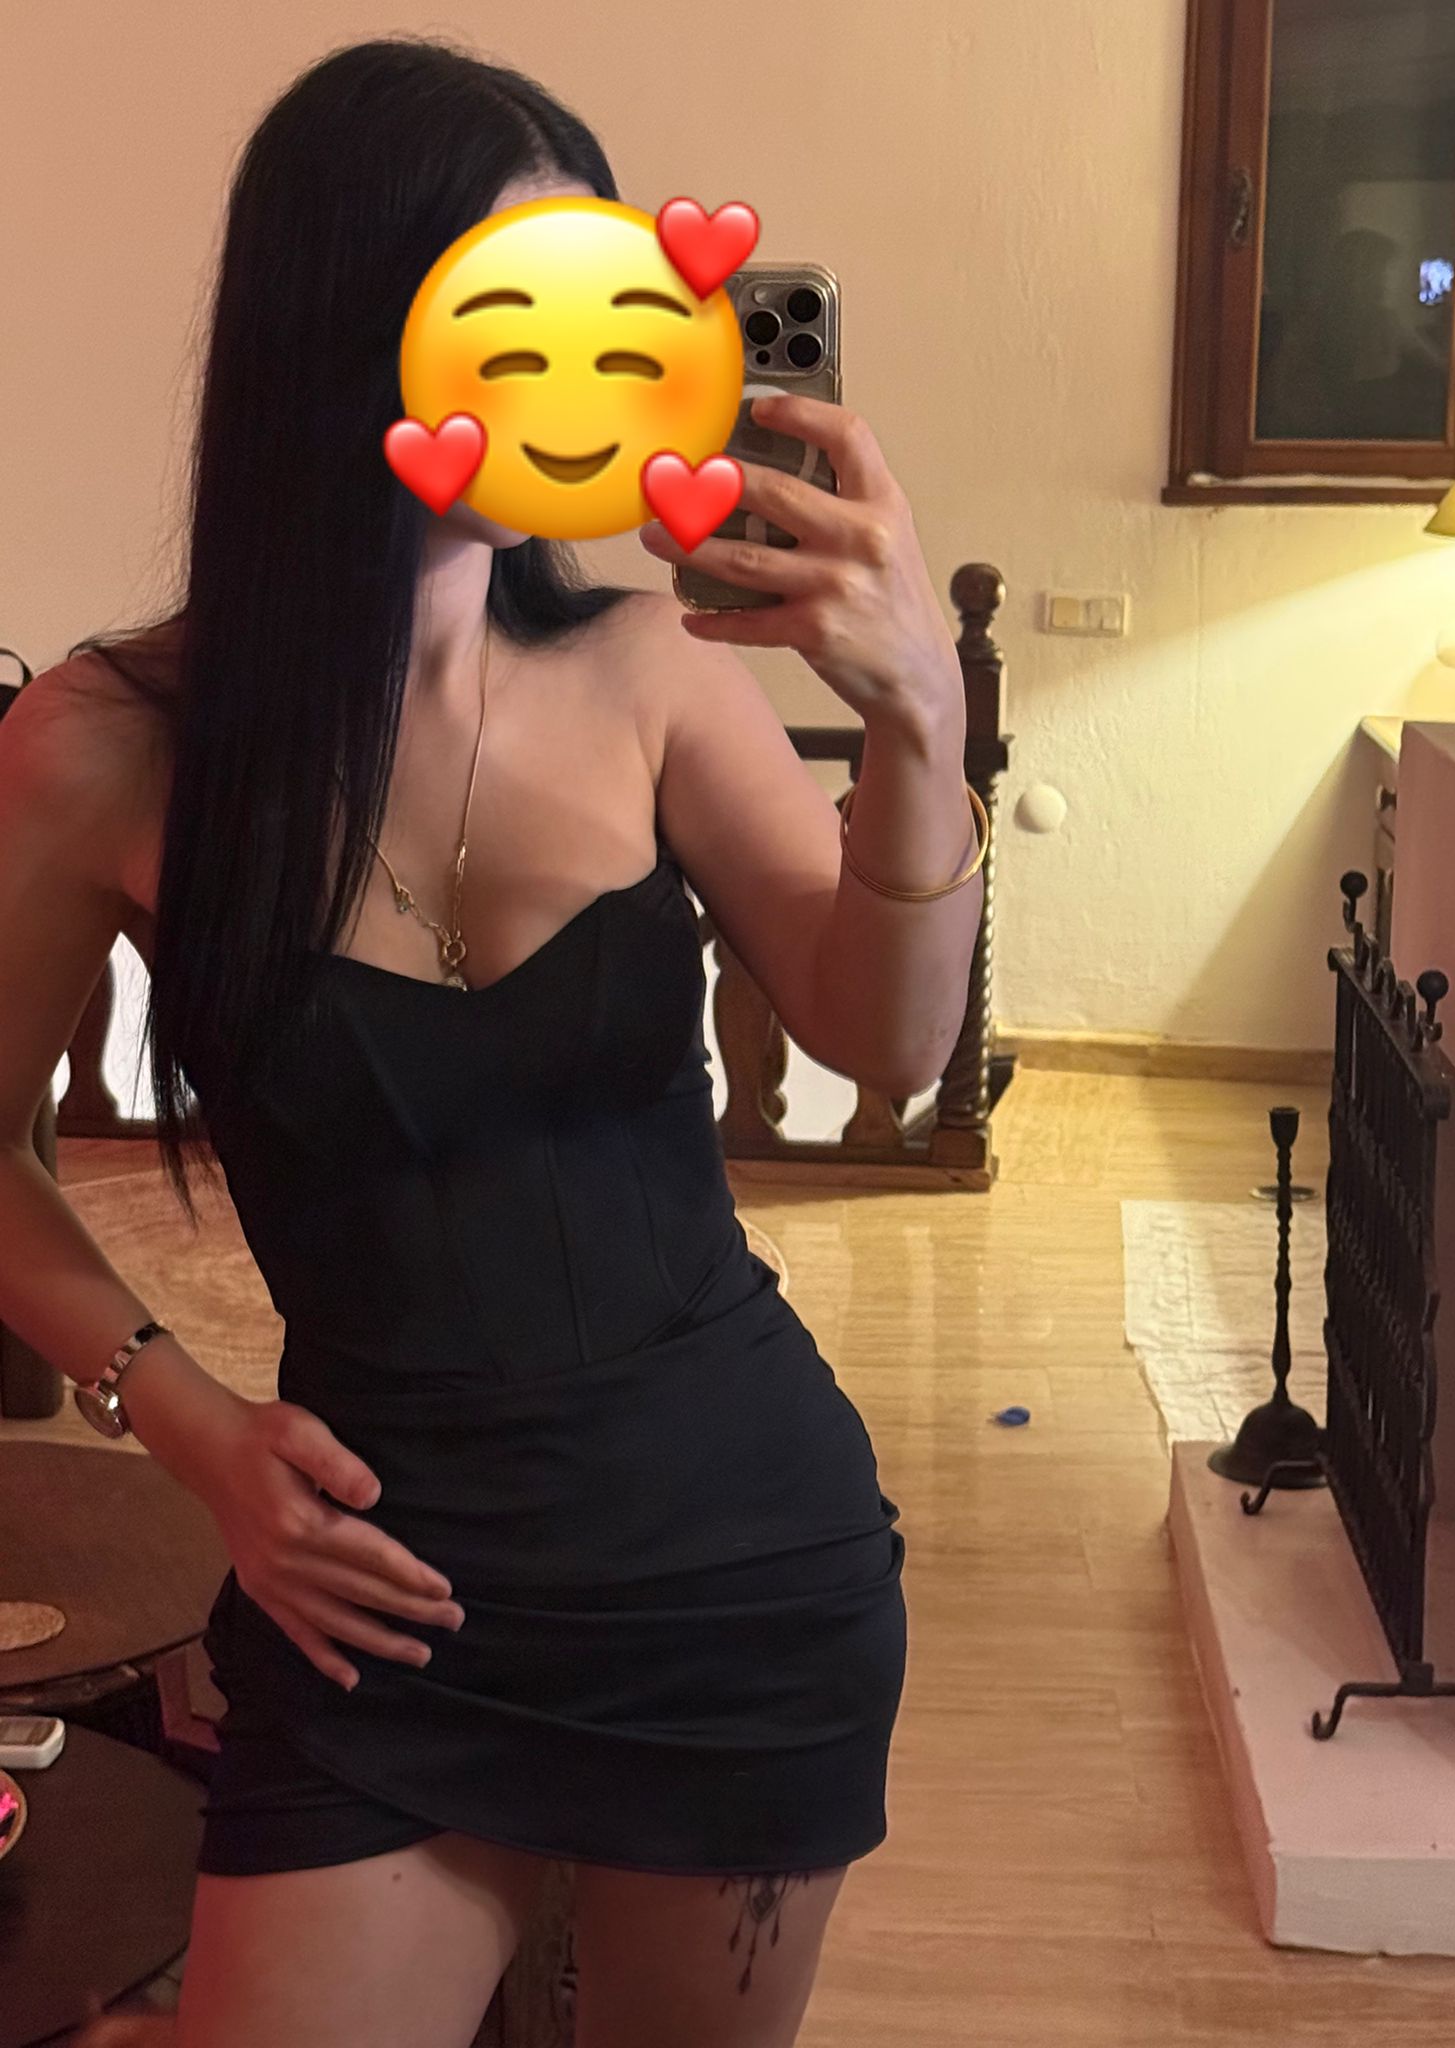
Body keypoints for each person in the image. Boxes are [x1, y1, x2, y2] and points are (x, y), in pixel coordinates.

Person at [0, 36, 986, 2048]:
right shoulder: (106, 743)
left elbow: (888, 1037)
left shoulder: (651, 670)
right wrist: (187, 1424)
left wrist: (917, 723)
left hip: (736, 1576)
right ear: (348, 330)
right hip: (371, 1597)